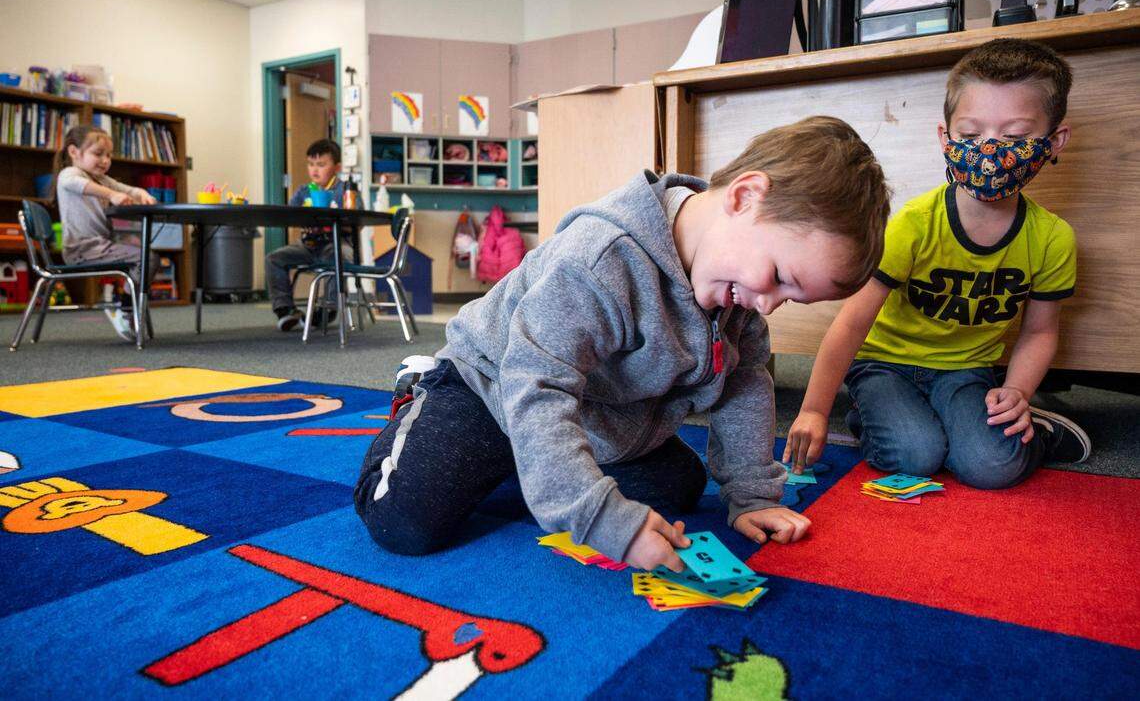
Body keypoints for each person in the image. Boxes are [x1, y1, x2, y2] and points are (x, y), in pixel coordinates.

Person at [355, 116, 891, 571]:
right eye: (778, 275)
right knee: (405, 522)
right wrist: (598, 517)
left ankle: (544, 466)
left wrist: (751, 494)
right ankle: (419, 390)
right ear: (746, 196)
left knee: (676, 490)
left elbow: (744, 384)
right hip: (493, 385)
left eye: (792, 297)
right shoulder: (600, 260)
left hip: (601, 412)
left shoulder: (739, 292)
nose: (770, 305)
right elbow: (537, 385)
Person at [785, 38, 1091, 490]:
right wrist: (814, 408)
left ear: (1053, 141)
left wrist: (1019, 392)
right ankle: (875, 412)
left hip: (967, 369)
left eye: (1014, 137)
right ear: (945, 139)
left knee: (991, 467)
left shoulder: (1051, 238)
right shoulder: (912, 224)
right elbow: (851, 323)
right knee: (916, 454)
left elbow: (1041, 331)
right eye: (970, 136)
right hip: (884, 364)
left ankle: (1040, 430)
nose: (990, 152)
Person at [54, 125, 157, 340]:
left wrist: (142, 193)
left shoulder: (102, 179)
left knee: (147, 257)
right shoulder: (69, 173)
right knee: (146, 258)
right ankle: (126, 311)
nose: (105, 160)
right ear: (74, 152)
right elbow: (76, 183)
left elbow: (129, 190)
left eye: (108, 155)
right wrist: (111, 195)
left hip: (99, 246)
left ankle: (126, 308)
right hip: (81, 249)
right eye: (98, 154)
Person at [264, 138, 351, 330]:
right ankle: (286, 310)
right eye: (311, 164)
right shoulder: (304, 191)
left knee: (338, 256)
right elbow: (289, 216)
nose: (315, 170)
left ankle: (327, 309)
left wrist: (329, 221)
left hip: (335, 243)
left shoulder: (344, 190)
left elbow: (355, 222)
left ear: (336, 167)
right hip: (307, 246)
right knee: (273, 259)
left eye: (321, 165)